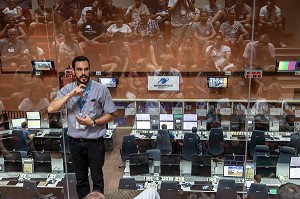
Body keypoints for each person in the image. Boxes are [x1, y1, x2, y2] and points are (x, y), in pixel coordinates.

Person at [48, 56, 116, 198]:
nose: (83, 73)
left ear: (89, 70)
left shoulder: (101, 90)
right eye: (79, 69)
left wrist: (94, 122)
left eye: (86, 69)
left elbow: (111, 115)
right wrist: (71, 94)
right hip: (75, 142)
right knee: (81, 180)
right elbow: (51, 108)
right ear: (74, 71)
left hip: (95, 142)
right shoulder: (67, 89)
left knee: (97, 179)